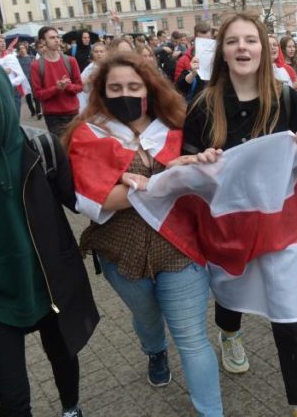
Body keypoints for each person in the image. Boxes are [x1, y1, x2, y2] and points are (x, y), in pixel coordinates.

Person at [65, 52, 223, 416]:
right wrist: (162, 180)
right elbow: (100, 198)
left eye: (134, 86)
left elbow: (200, 180)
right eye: (115, 87)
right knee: (148, 319)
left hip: (180, 248)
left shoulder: (176, 128)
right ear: (102, 92)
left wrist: (184, 170)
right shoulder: (89, 135)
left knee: (192, 339)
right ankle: (154, 350)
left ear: (149, 89)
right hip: (122, 253)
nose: (125, 93)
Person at [182, 11, 297, 417]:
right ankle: (229, 332)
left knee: (289, 317)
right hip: (228, 228)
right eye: (233, 41)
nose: (242, 47)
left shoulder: (287, 98)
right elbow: (184, 160)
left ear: (264, 49)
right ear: (221, 52)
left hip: (282, 226)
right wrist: (196, 158)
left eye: (251, 40)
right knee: (230, 297)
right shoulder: (204, 105)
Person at [0, 50, 99, 417]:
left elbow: (81, 198)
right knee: (12, 398)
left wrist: (131, 171)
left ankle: (71, 408)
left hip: (49, 282)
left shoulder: (38, 146)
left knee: (63, 356)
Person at [30, 27, 83, 138]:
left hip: (73, 113)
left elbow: (79, 86)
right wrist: (56, 88)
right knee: (62, 150)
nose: (57, 40)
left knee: (77, 148)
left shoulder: (70, 61)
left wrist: (67, 86)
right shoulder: (36, 65)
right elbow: (38, 94)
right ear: (43, 41)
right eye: (52, 38)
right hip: (53, 116)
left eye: (57, 37)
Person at [78, 41, 107, 113]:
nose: (99, 54)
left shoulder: (108, 65)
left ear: (106, 53)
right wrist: (89, 80)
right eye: (96, 52)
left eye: (101, 51)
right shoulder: (90, 68)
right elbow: (81, 83)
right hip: (93, 99)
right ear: (92, 53)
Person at [16, 42, 42, 119]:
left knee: (36, 95)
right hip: (24, 81)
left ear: (26, 49)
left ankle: (38, 112)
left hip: (33, 78)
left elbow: (37, 68)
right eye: (20, 49)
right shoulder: (16, 59)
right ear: (18, 50)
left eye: (23, 48)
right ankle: (32, 111)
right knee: (28, 96)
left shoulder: (32, 57)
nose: (22, 50)